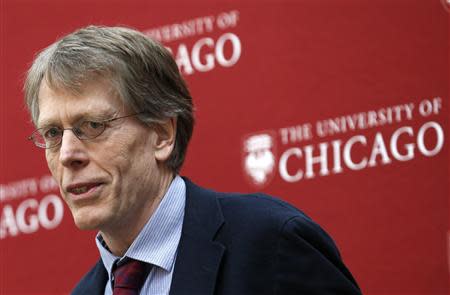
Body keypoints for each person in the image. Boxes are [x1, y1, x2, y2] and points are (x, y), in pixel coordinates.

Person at [24, 25, 362, 295]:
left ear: (162, 135)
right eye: (53, 134)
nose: (67, 154)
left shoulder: (271, 244)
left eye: (93, 126)